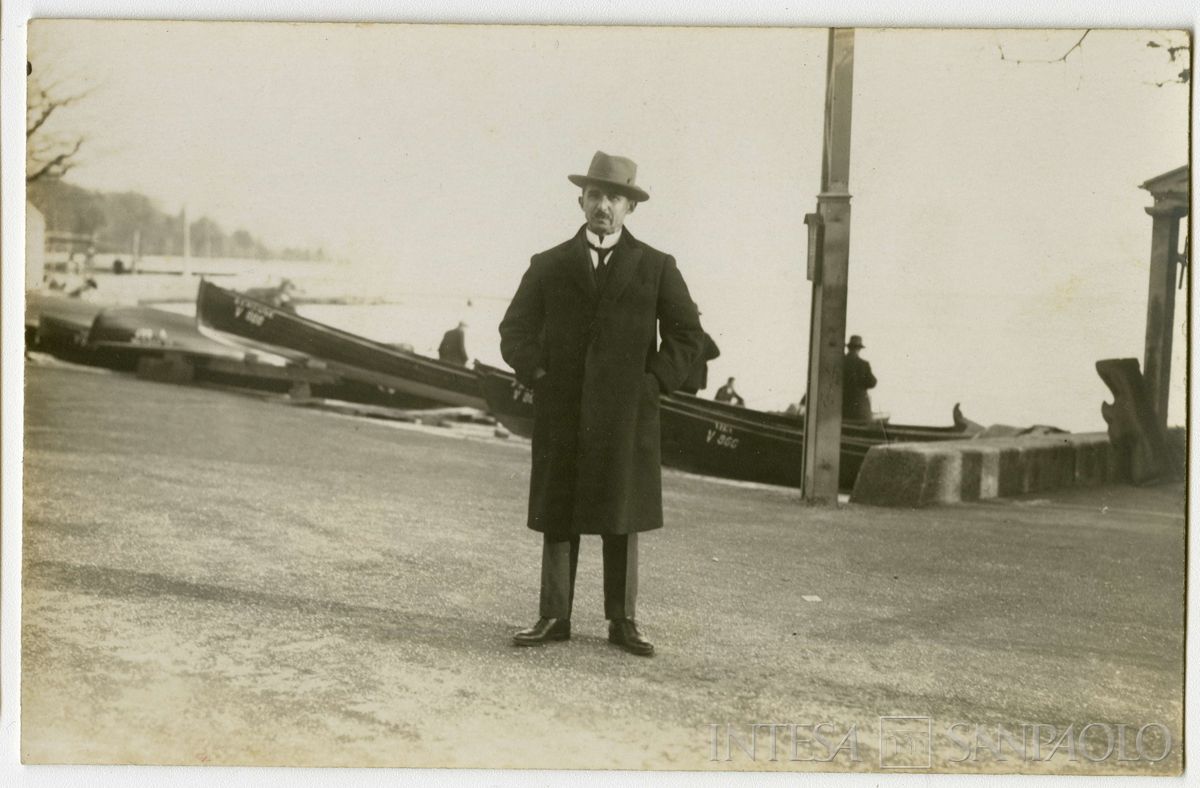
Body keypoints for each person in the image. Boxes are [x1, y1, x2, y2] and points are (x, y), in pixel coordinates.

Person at [499, 151, 705, 657]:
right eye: (595, 196)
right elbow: (514, 331)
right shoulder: (547, 264)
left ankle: (623, 621)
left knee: (622, 514)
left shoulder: (657, 267)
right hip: (563, 413)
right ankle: (554, 615)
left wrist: (653, 384)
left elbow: (687, 335)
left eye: (615, 197)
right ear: (581, 200)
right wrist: (541, 375)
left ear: (630, 207)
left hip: (627, 415)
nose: (604, 207)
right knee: (558, 513)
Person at [843, 334, 877, 421]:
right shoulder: (863, 364)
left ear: (849, 348)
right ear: (859, 349)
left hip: (842, 408)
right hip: (860, 410)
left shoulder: (841, 362)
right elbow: (872, 382)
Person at [679, 328, 720, 395]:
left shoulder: (684, 333)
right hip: (695, 380)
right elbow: (716, 352)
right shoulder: (705, 337)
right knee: (689, 400)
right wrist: (703, 358)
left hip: (681, 377)